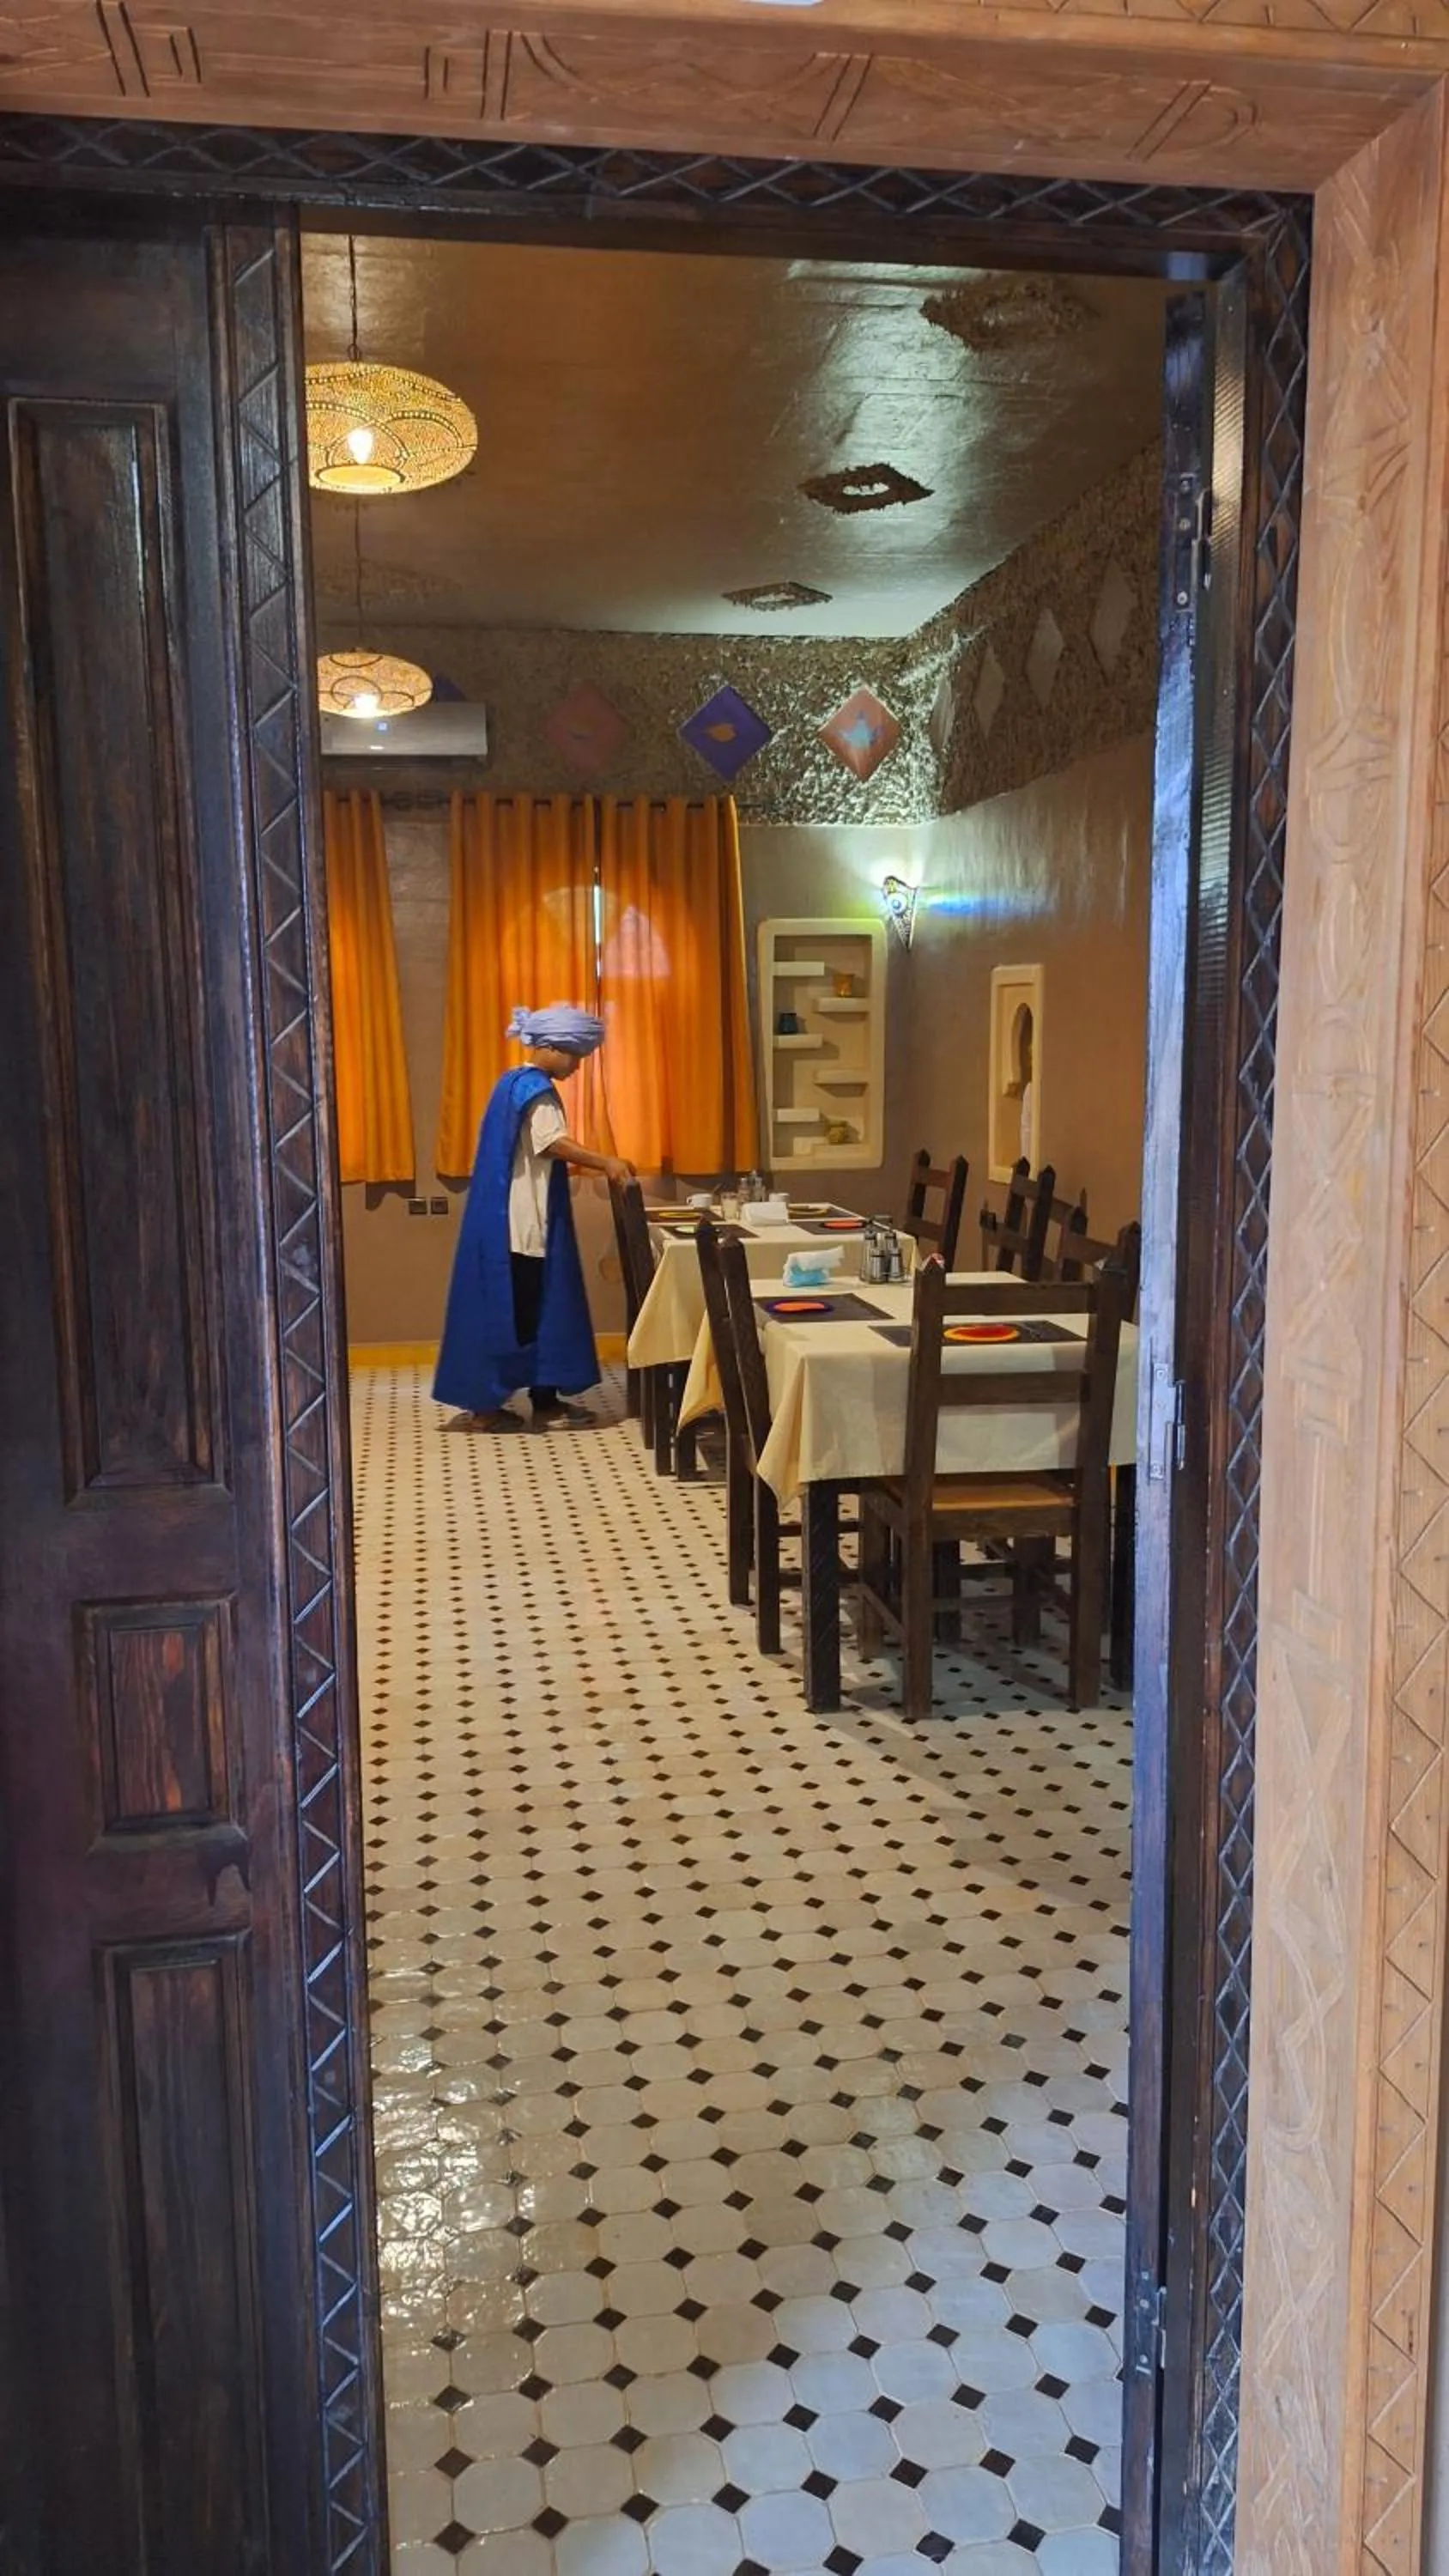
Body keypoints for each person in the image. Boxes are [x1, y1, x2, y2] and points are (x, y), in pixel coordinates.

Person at [434, 1002, 634, 1428]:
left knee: (536, 1308)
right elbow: (552, 1144)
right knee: (528, 1311)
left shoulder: (510, 1084)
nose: (576, 1066)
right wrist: (607, 1162)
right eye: (574, 1055)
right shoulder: (537, 1091)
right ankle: (489, 1408)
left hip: (506, 1219)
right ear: (550, 1047)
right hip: (525, 1225)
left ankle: (544, 1400)